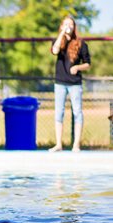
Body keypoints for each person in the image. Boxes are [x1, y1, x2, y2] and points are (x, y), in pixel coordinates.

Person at [49, 16, 91, 152]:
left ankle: (76, 145)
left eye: (71, 24)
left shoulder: (81, 43)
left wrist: (78, 67)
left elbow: (88, 64)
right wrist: (62, 34)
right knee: (59, 112)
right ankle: (58, 144)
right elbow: (55, 51)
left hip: (75, 84)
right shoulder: (57, 42)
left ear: (74, 27)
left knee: (77, 112)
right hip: (60, 83)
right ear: (61, 26)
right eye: (66, 24)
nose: (68, 26)